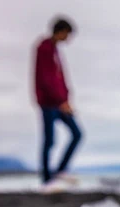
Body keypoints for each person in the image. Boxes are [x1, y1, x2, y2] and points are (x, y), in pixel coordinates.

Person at [34, 17, 82, 188]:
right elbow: (46, 79)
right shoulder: (44, 48)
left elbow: (60, 78)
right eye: (67, 34)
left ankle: (60, 172)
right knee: (49, 141)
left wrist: (66, 99)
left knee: (77, 134)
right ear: (61, 31)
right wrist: (61, 101)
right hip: (49, 103)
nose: (68, 38)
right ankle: (47, 181)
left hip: (60, 103)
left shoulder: (55, 51)